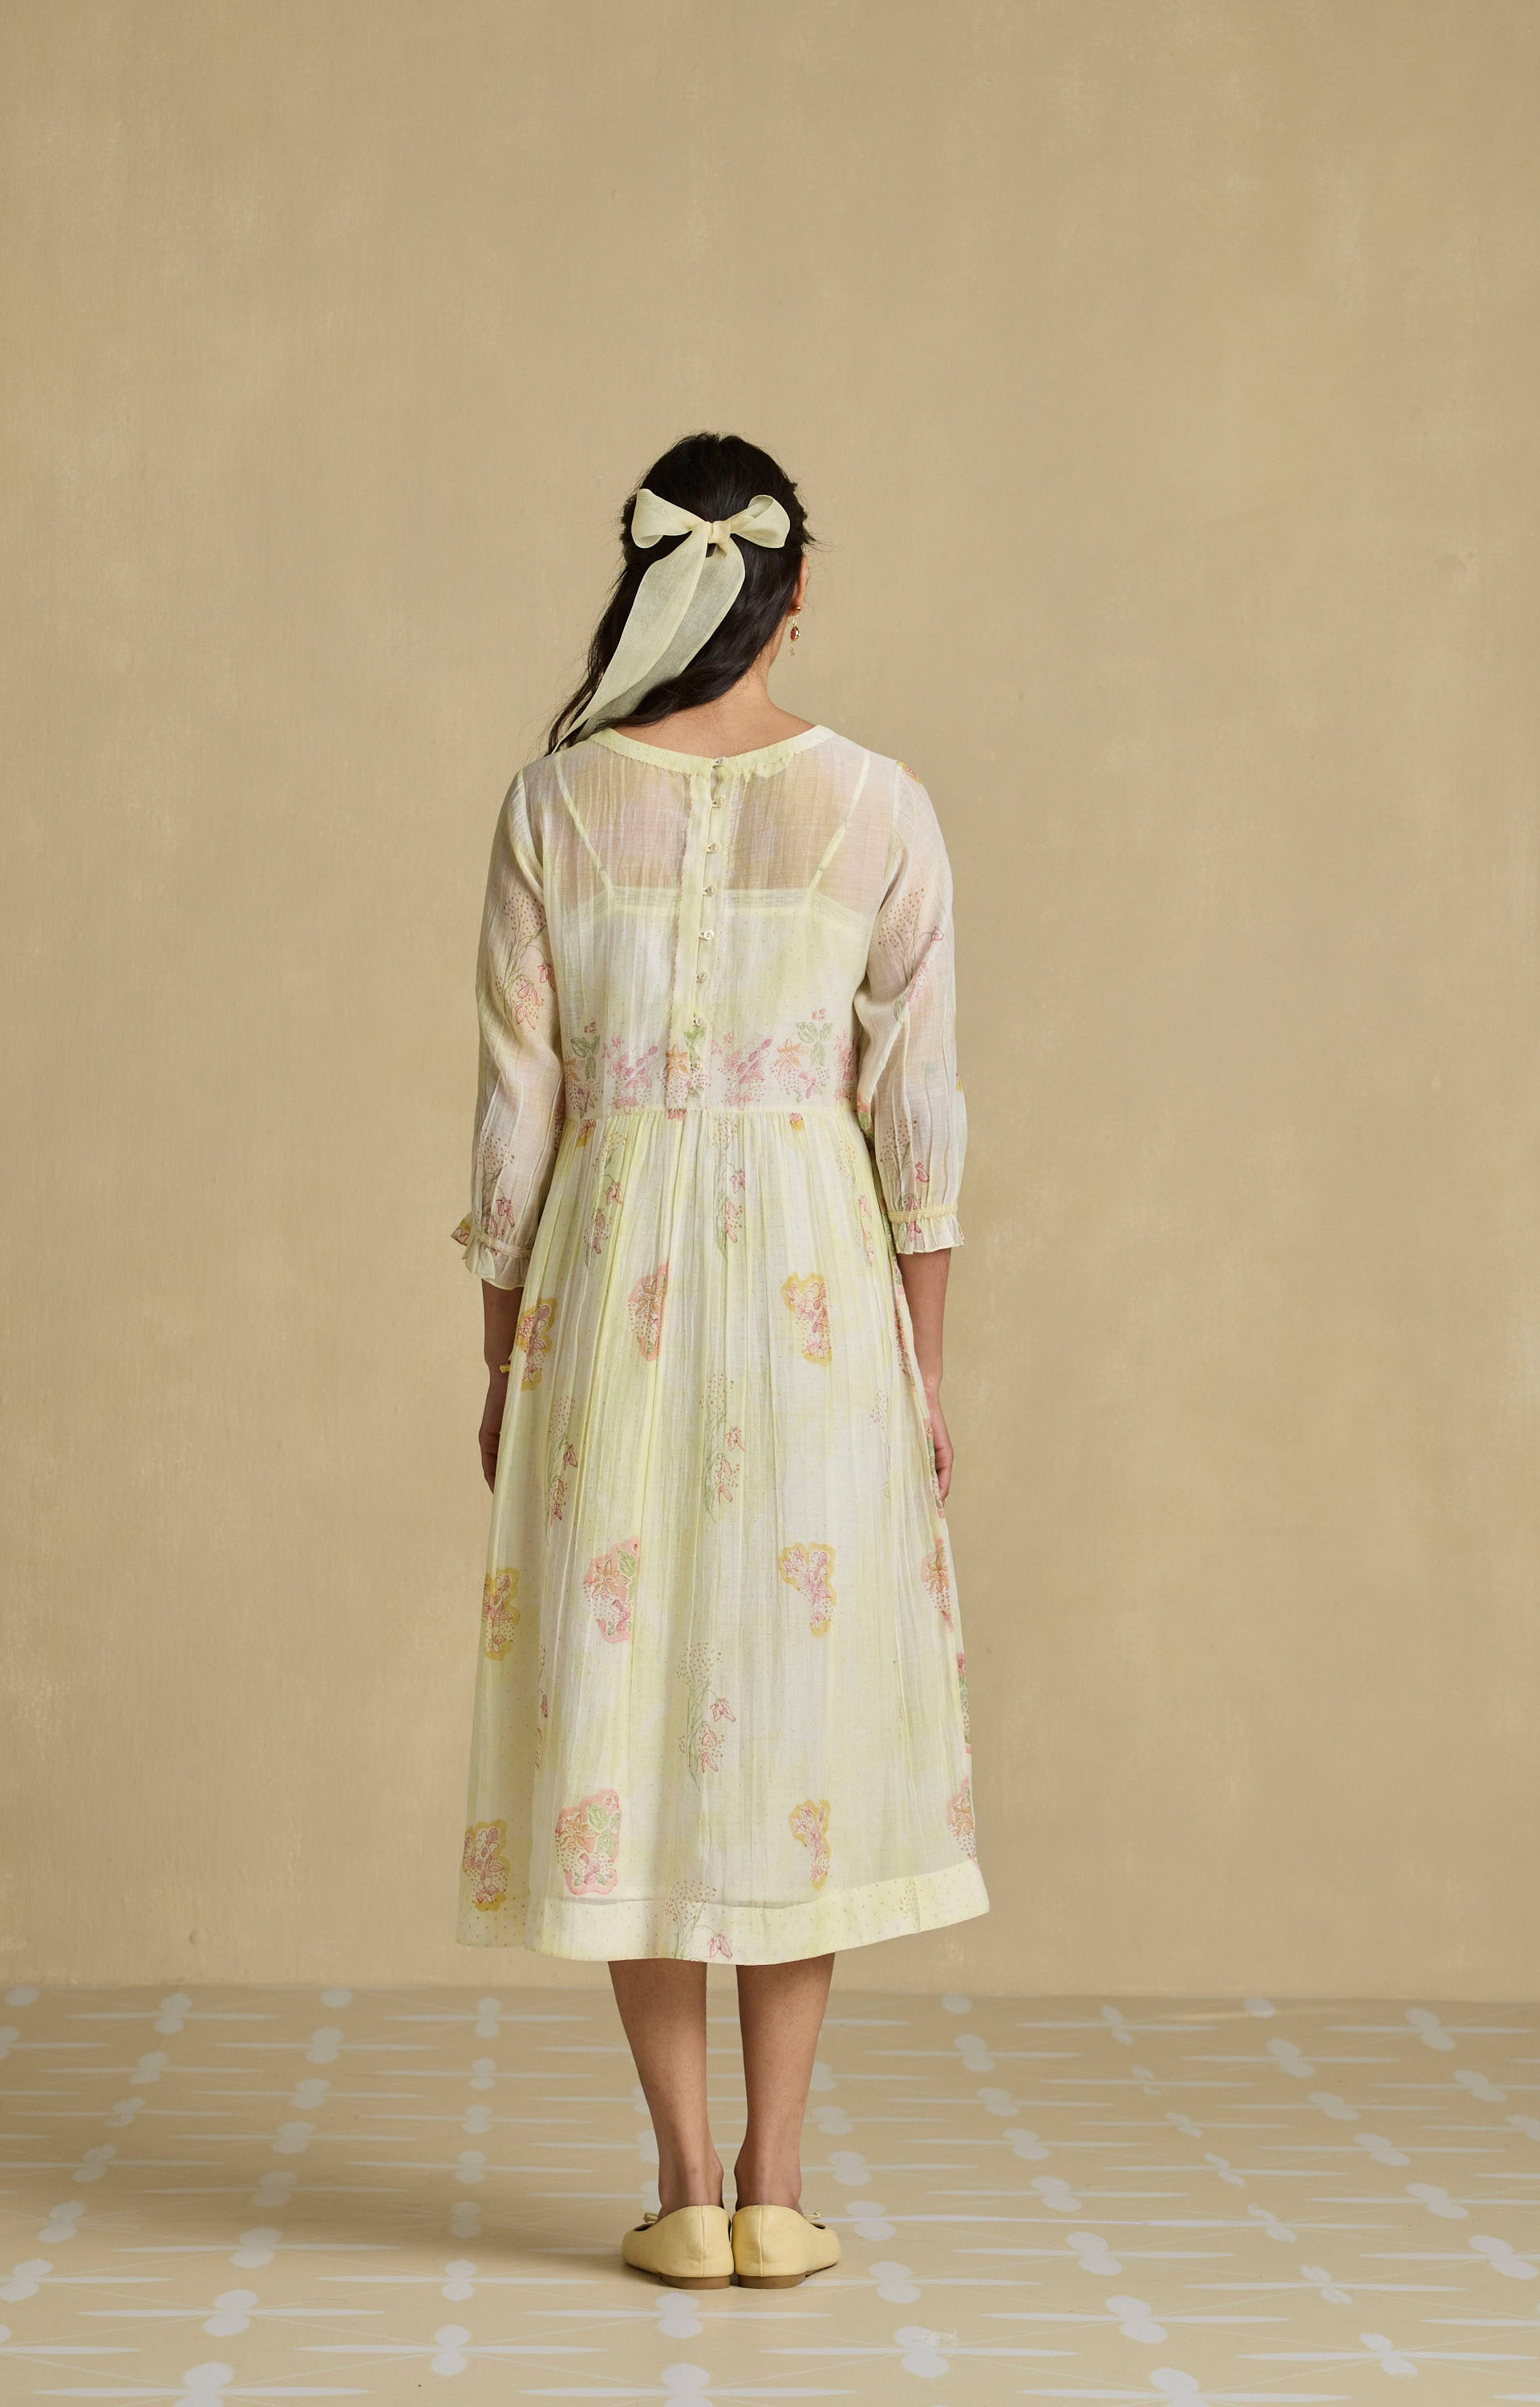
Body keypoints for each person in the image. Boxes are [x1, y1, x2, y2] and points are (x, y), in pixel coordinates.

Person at [451, 431, 987, 2291]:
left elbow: (516, 1124)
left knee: (626, 1710)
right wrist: (922, 1376)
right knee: (796, 1713)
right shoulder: (880, 807)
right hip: (816, 1302)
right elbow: (917, 1118)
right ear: (796, 585)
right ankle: (777, 2178)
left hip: (612, 1295)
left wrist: (506, 1361)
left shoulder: (551, 804)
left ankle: (682, 2185)